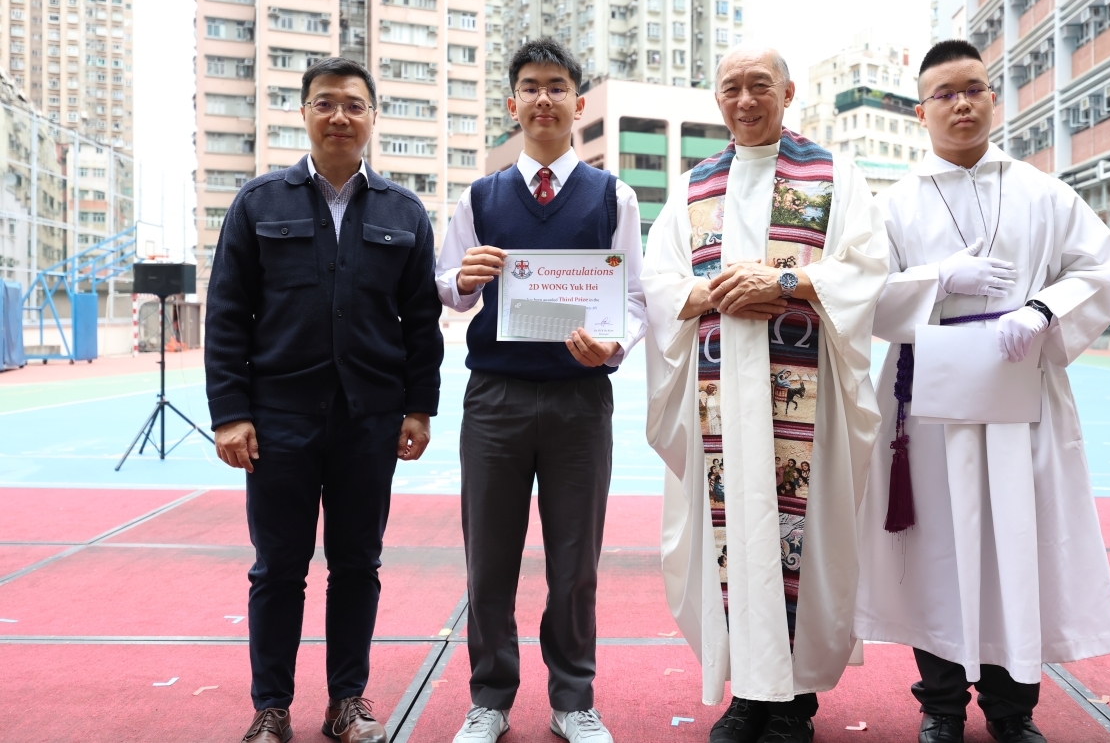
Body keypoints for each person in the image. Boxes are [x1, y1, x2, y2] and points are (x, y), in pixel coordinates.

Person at [854, 40, 1110, 743]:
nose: (962, 104)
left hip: (1019, 389)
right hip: (929, 400)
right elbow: (863, 296)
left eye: (973, 89)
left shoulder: (1042, 192)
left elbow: (1100, 268)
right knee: (937, 550)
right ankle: (941, 706)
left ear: (993, 97)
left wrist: (1042, 310)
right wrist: (938, 280)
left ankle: (1012, 709)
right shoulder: (894, 204)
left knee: (1017, 542)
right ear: (921, 112)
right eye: (944, 94)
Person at [642, 45, 888, 743]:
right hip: (719, 395)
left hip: (801, 395)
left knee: (797, 536)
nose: (745, 100)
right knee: (735, 539)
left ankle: (792, 700)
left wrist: (783, 281)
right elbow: (658, 282)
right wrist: (712, 292)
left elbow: (868, 266)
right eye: (731, 88)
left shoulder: (834, 176)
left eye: (759, 86)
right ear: (717, 99)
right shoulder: (694, 187)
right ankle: (747, 696)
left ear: (788, 91)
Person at [205, 57, 445, 743]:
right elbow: (227, 314)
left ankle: (347, 701)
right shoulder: (258, 203)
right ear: (304, 112)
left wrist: (419, 407)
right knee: (277, 567)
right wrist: (230, 413)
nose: (340, 116)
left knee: (357, 564)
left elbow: (420, 321)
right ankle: (271, 707)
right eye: (325, 103)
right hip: (278, 419)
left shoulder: (403, 211)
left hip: (369, 419)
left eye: (353, 104)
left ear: (373, 117)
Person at [434, 38, 646, 743]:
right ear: (512, 102)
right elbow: (448, 287)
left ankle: (573, 697)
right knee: (488, 558)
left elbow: (635, 299)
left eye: (557, 86)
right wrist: (462, 278)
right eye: (531, 86)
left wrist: (615, 345)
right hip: (495, 397)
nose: (544, 98)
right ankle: (490, 698)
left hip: (580, 399)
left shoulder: (613, 196)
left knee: (575, 561)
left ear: (578, 104)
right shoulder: (481, 196)